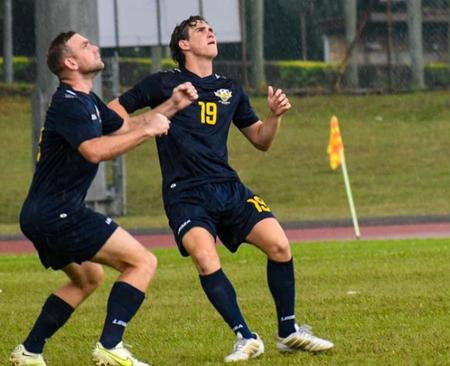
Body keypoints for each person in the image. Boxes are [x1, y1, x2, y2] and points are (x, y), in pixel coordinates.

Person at [108, 16, 334, 362]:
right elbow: (113, 113)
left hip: (228, 186)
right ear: (183, 45)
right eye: (200, 30)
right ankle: (245, 336)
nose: (210, 32)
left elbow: (261, 140)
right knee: (204, 255)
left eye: (210, 28)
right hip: (185, 193)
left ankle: (288, 332)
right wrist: (147, 122)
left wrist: (274, 117)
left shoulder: (231, 87)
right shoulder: (162, 83)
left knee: (279, 244)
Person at [10, 31, 197, 366]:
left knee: (88, 278)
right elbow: (95, 151)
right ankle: (110, 347)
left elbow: (125, 126)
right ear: (70, 63)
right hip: (58, 214)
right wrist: (146, 131)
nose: (94, 47)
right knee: (142, 262)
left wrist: (172, 106)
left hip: (41, 214)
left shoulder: (87, 101)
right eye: (85, 46)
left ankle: (30, 351)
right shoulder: (69, 104)